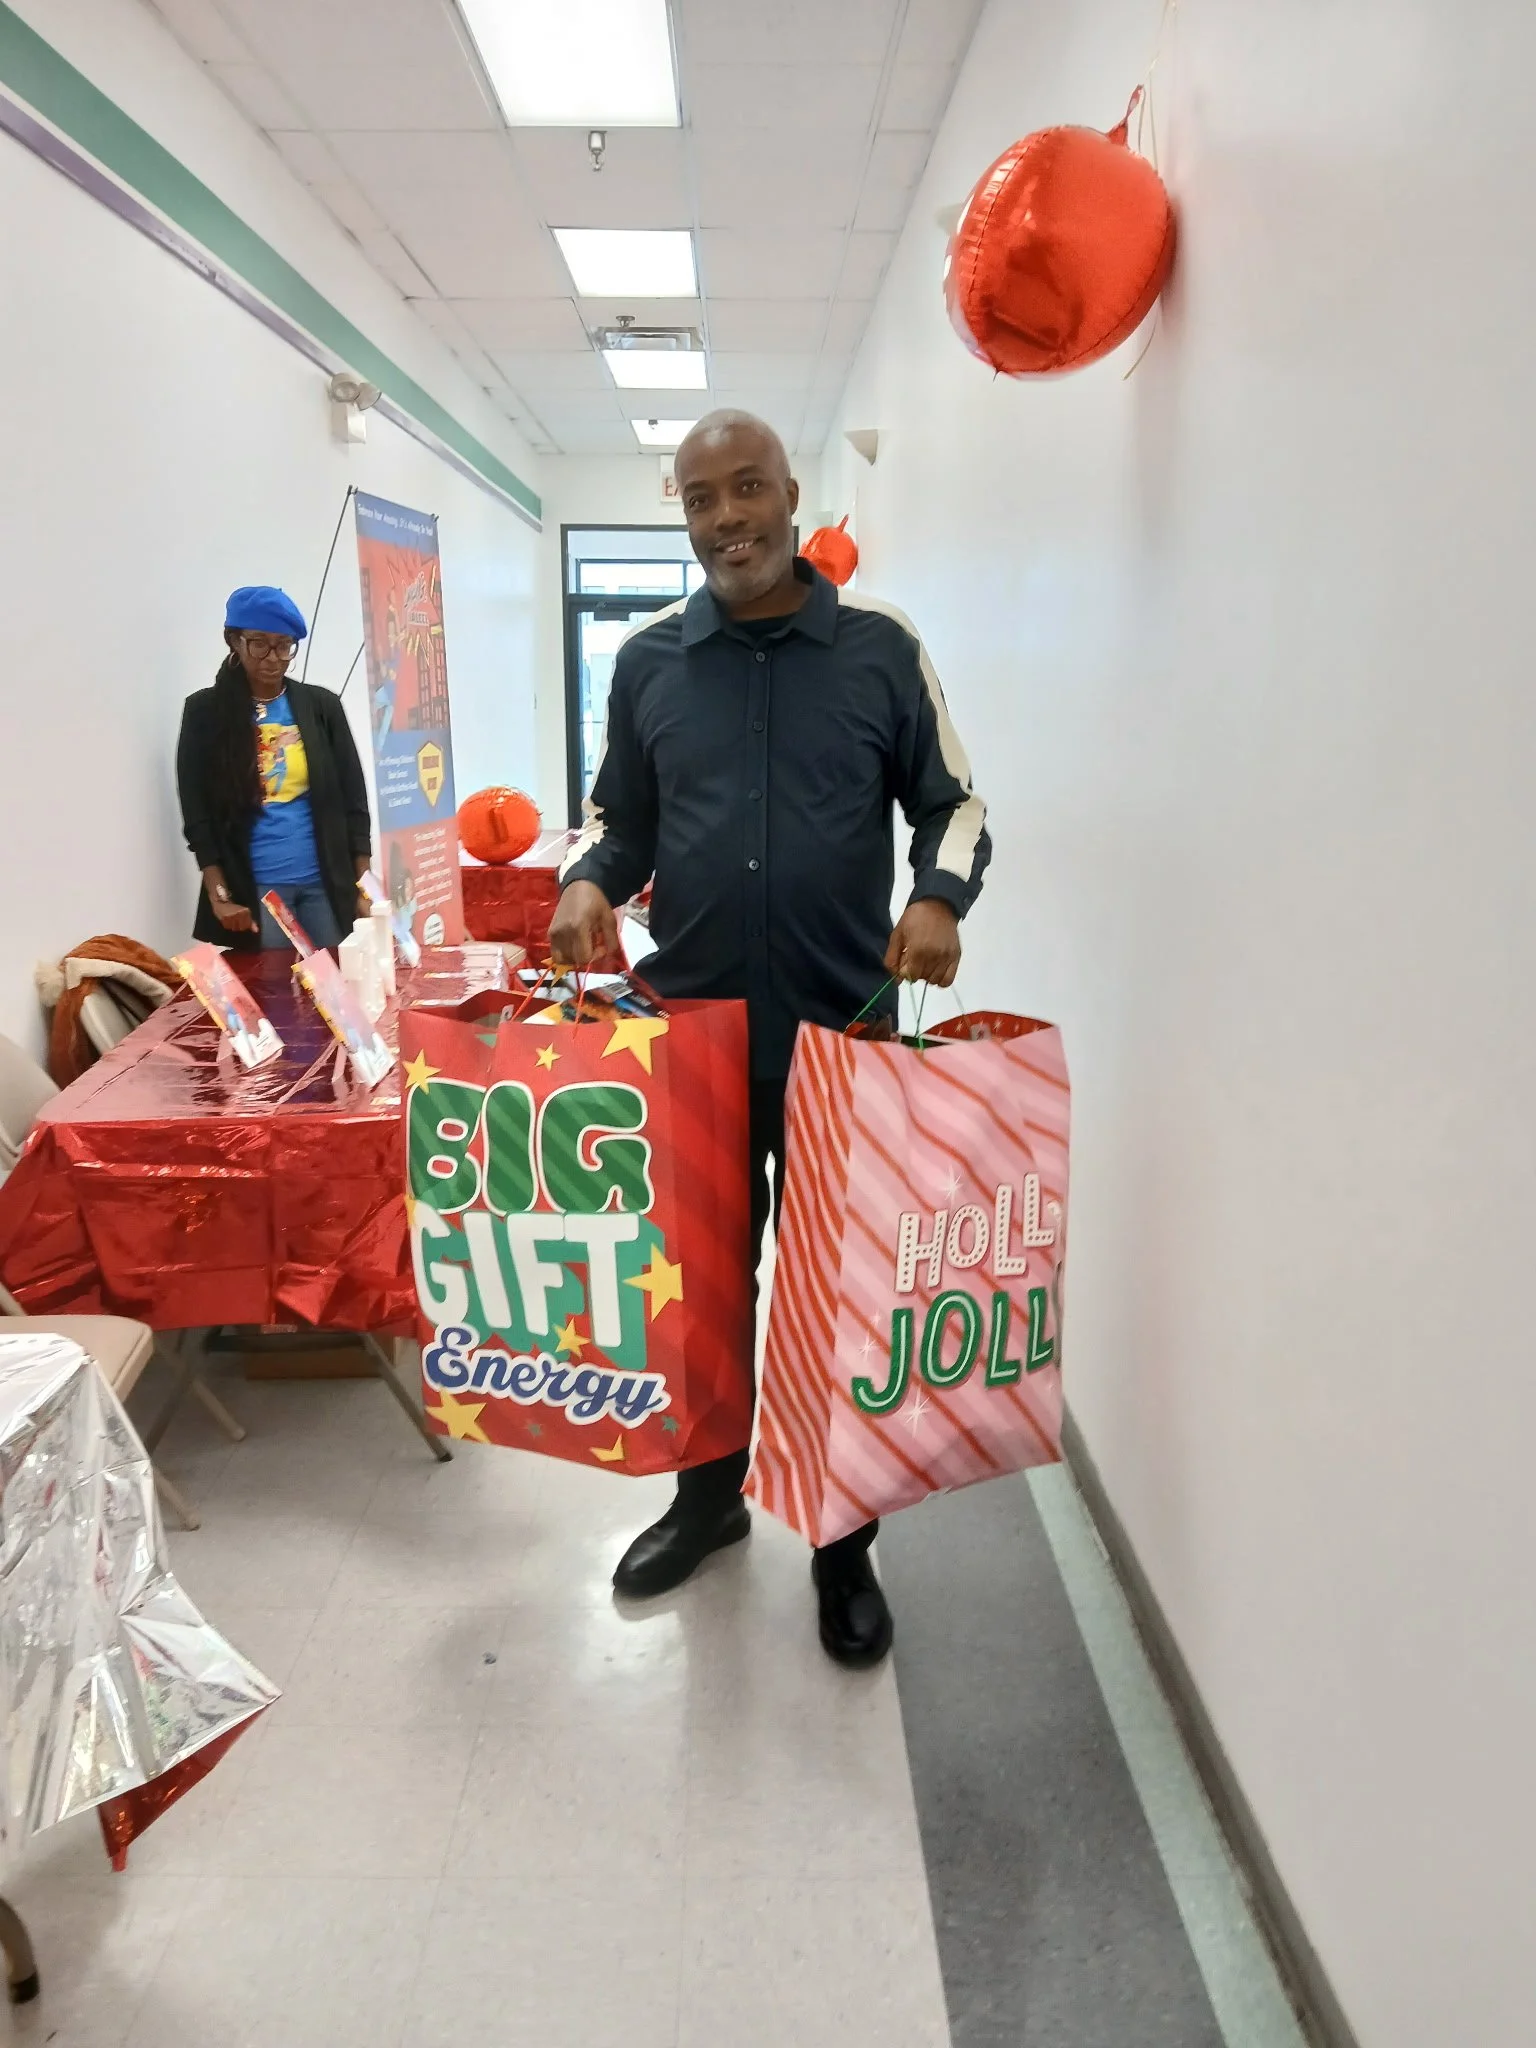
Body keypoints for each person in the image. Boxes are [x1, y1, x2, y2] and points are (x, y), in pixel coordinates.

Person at [549, 410, 991, 1669]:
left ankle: (844, 1542)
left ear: (793, 495)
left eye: (748, 489)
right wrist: (590, 880)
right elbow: (618, 822)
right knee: (693, 1293)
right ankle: (706, 1502)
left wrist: (934, 898)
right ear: (683, 515)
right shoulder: (645, 665)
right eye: (701, 500)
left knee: (837, 1297)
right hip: (687, 1044)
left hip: (843, 1039)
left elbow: (955, 804)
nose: (728, 517)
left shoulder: (878, 649)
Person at [176, 586, 373, 951]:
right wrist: (219, 894)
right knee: (276, 997)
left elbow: (354, 802)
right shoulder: (205, 713)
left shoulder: (321, 707)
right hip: (256, 892)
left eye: (284, 646)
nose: (273, 658)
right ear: (233, 640)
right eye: (259, 643)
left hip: (325, 885)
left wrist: (364, 889)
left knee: (339, 989)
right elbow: (197, 813)